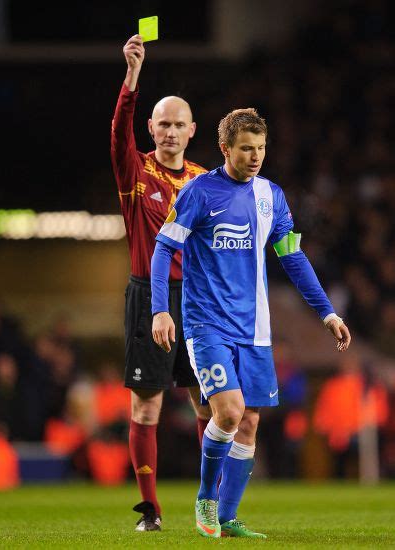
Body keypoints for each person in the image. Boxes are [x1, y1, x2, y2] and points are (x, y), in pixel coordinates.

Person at [151, 107, 351, 538]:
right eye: (246, 148)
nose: (255, 156)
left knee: (251, 422)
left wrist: (327, 312)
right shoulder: (197, 193)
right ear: (225, 149)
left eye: (260, 148)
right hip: (207, 324)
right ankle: (206, 499)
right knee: (228, 411)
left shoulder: (271, 196)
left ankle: (227, 516)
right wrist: (160, 308)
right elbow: (163, 249)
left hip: (255, 329)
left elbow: (292, 257)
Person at [110, 35, 210, 531]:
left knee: (208, 401)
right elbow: (116, 135)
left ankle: (209, 501)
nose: (169, 131)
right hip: (147, 297)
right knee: (146, 404)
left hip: (196, 301)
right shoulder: (135, 171)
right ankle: (150, 509)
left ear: (192, 131)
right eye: (162, 124)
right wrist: (132, 76)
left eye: (178, 124)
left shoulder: (204, 180)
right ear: (151, 128)